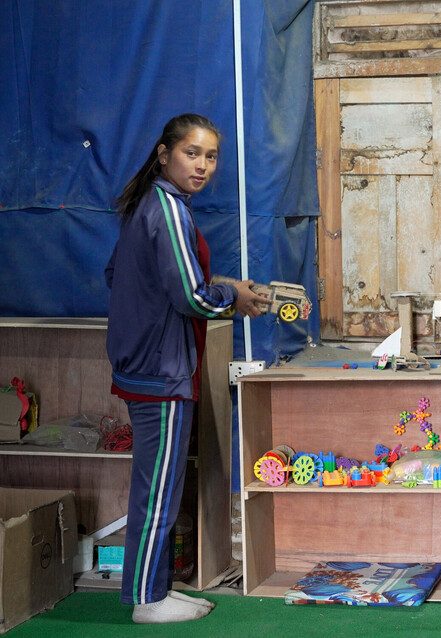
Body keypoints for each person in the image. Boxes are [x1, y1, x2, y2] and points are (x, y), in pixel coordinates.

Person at [105, 113, 269, 624]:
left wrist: (207, 285)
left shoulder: (150, 203)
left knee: (159, 487)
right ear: (164, 153)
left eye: (211, 156)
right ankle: (146, 602)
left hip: (148, 364)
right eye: (191, 153)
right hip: (162, 370)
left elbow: (121, 274)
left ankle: (152, 589)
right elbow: (194, 298)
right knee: (158, 491)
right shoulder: (167, 209)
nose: (202, 166)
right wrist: (232, 295)